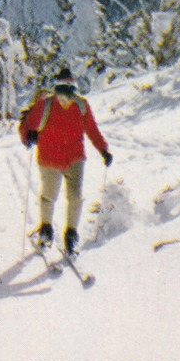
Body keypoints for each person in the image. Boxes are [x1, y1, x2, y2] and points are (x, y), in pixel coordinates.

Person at [18, 67, 111, 258]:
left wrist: (103, 150)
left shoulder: (82, 106)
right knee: (49, 197)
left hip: (74, 159)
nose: (64, 99)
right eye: (61, 92)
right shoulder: (45, 105)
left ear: (73, 91)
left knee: (75, 198)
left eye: (67, 93)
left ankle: (70, 234)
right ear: (56, 90)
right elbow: (25, 125)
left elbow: (92, 130)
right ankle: (46, 229)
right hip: (50, 159)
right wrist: (29, 136)